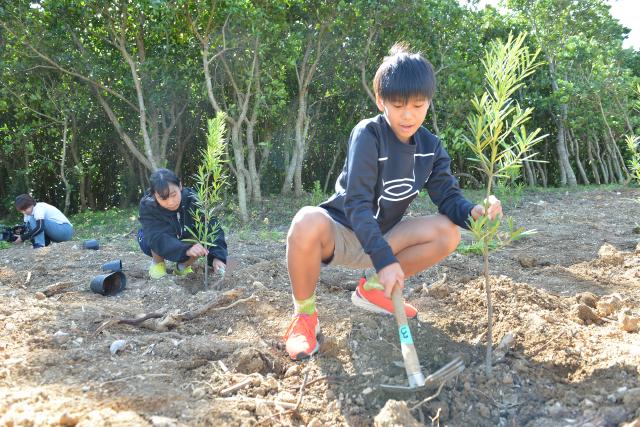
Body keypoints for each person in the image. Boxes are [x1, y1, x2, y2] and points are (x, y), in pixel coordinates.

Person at [283, 43, 503, 361]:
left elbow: (448, 196)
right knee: (305, 221)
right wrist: (386, 261)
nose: (408, 114)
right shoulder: (368, 135)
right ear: (380, 101)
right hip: (344, 233)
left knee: (447, 232)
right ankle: (304, 317)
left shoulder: (430, 147)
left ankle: (373, 290)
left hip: (386, 237)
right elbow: (357, 204)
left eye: (418, 105)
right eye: (398, 105)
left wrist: (474, 213)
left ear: (428, 102)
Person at [138, 168, 227, 279]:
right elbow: (157, 237)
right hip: (153, 241)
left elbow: (212, 226)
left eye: (173, 195)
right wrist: (186, 249)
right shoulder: (148, 205)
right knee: (154, 237)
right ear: (154, 195)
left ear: (180, 186)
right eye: (163, 198)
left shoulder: (193, 199)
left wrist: (218, 257)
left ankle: (182, 266)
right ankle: (158, 263)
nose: (170, 202)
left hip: (184, 237)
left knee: (201, 236)